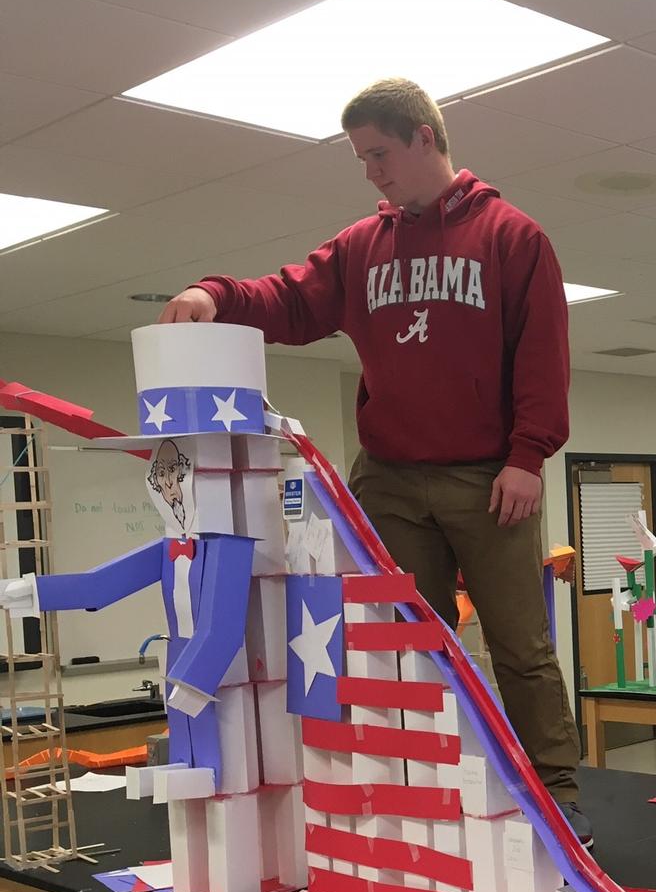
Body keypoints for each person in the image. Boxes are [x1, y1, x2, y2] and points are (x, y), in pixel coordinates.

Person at [157, 79, 590, 845]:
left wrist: (528, 456)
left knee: (520, 647)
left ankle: (556, 799)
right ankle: (432, 787)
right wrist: (216, 294)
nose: (372, 172)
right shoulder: (364, 246)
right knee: (404, 645)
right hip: (388, 475)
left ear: (425, 136)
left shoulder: (511, 237)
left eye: (380, 154)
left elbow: (542, 355)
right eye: (361, 159)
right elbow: (292, 299)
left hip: (488, 477)